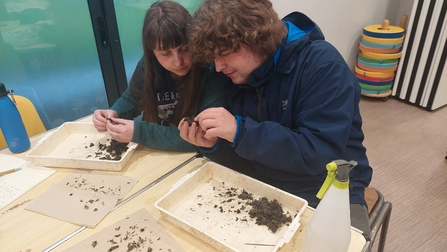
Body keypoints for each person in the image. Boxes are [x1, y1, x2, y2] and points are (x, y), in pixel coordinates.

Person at [178, 0, 373, 239]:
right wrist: (216, 146)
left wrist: (241, 132)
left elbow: (318, 153)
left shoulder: (323, 66)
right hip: (266, 182)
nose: (218, 67)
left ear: (255, 38)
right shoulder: (238, 75)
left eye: (224, 54)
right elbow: (245, 155)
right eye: (213, 58)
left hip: (329, 189)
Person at [93, 0, 228, 152]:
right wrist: (114, 112)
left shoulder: (210, 69)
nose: (178, 62)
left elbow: (205, 137)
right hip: (154, 154)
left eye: (184, 49)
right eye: (165, 54)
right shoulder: (148, 64)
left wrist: (139, 132)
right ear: (152, 52)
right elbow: (132, 99)